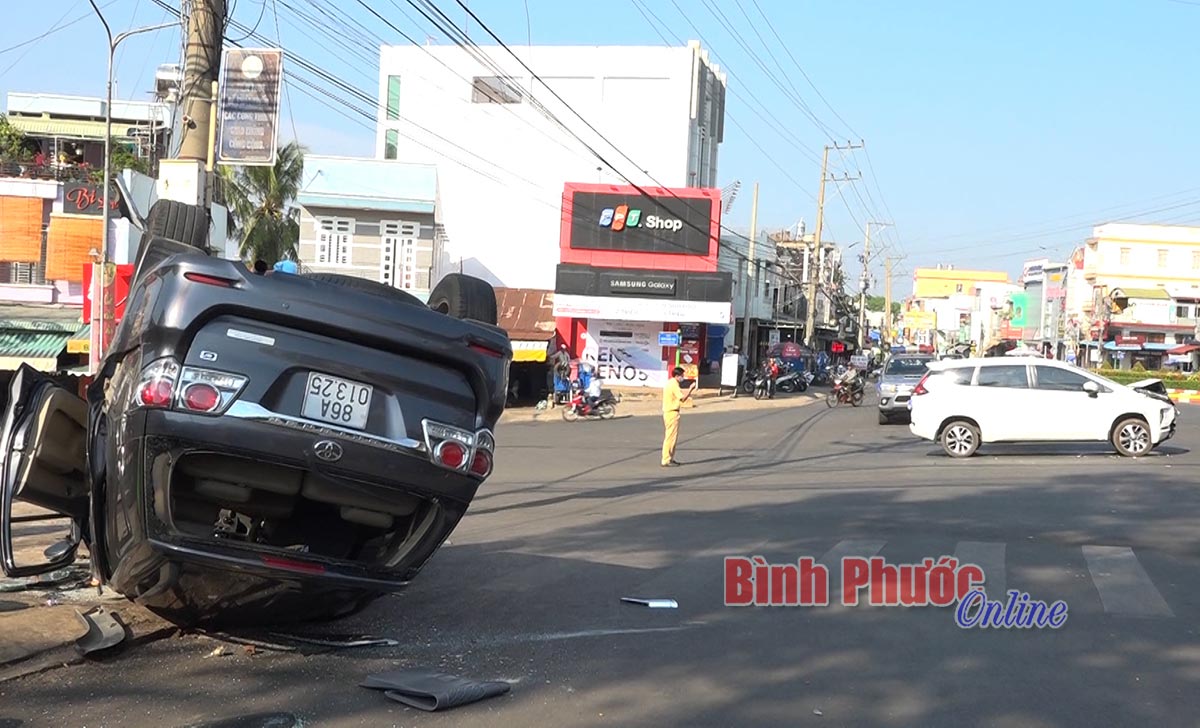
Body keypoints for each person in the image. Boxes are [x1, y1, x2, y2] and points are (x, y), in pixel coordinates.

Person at [662, 367, 697, 467]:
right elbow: (682, 398)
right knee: (670, 437)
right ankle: (666, 459)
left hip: (669, 412)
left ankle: (670, 457)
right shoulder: (674, 384)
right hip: (672, 412)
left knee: (671, 436)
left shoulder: (670, 383)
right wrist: (690, 389)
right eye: (682, 376)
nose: (683, 377)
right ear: (677, 376)